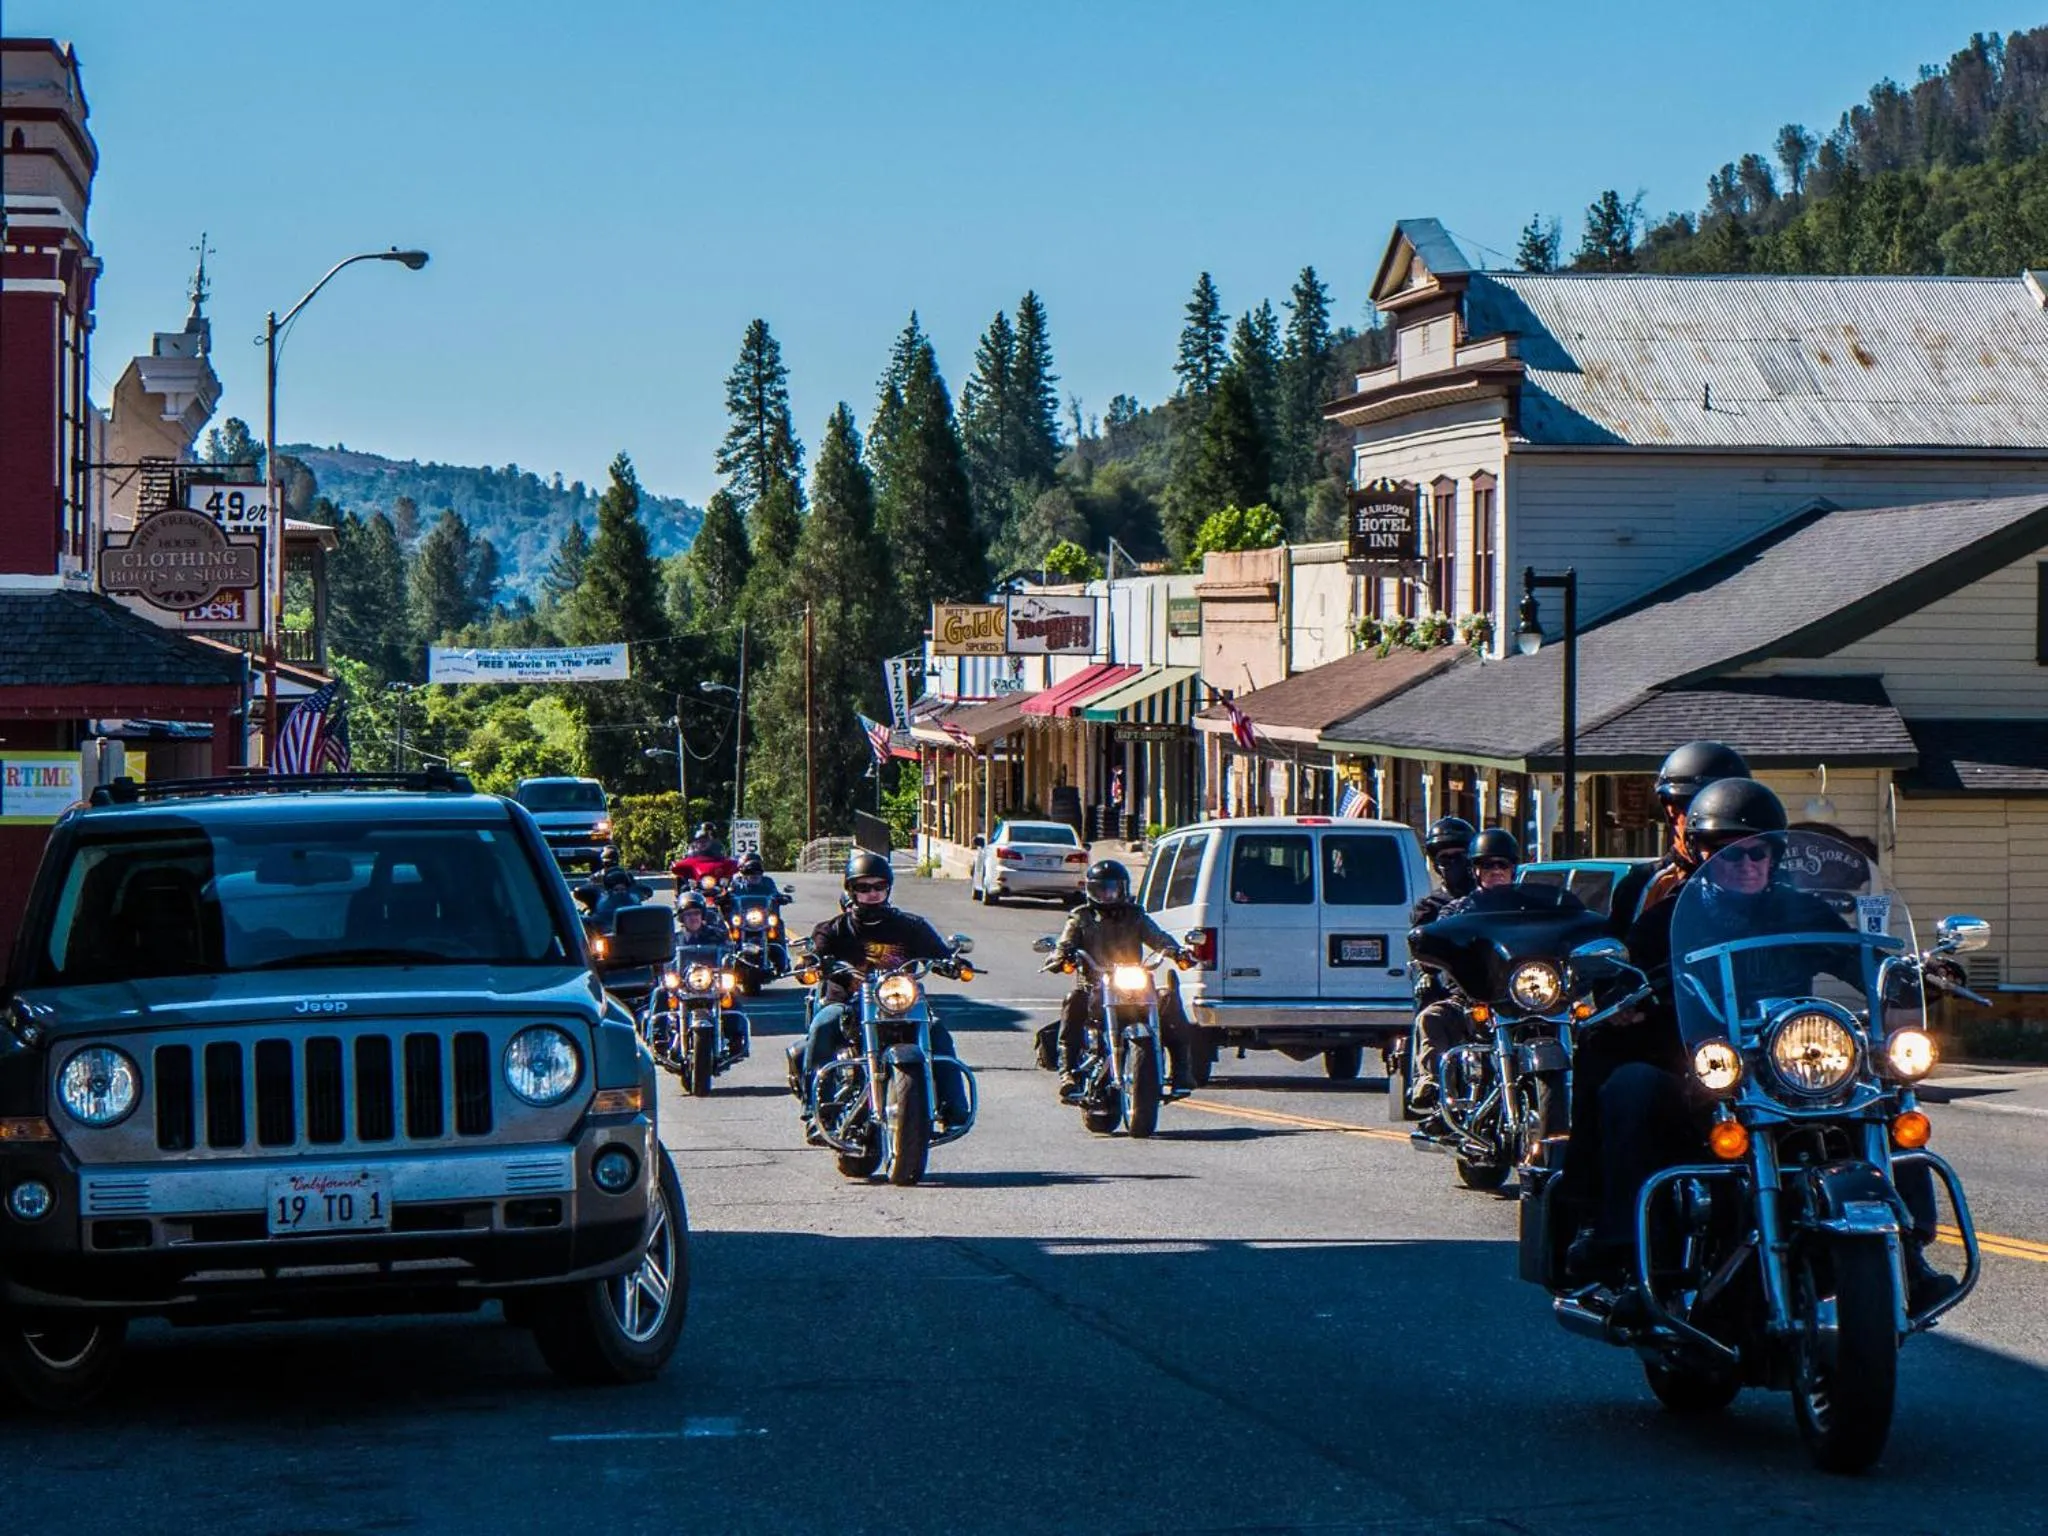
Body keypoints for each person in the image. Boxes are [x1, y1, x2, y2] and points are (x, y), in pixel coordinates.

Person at [1565, 778, 1957, 1309]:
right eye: (1728, 853)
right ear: (1701, 853)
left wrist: (1911, 970)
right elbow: (1622, 970)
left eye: (1759, 852)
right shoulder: (1667, 918)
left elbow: (1859, 957)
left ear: (1775, 855)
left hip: (1788, 1066)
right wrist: (1615, 985)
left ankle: (1907, 1256)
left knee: (1881, 1097)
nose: (1747, 864)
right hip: (1700, 1068)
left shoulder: (1801, 911)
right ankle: (1631, 1261)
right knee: (1632, 1087)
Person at [799, 851, 967, 1136]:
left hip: (900, 1004)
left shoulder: (911, 926)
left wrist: (952, 963)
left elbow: (938, 953)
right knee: (823, 1025)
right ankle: (817, 1109)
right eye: (864, 888)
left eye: (879, 886)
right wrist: (811, 962)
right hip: (848, 1003)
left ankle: (954, 1109)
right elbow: (815, 952)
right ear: (851, 890)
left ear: (888, 887)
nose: (873, 893)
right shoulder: (835, 929)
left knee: (937, 1032)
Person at [1045, 859, 1194, 1099]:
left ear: (1122, 889)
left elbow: (1158, 937)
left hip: (1134, 986)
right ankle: (1068, 1072)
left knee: (1168, 999)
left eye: (1112, 888)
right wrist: (1061, 957)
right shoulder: (1081, 917)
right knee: (1073, 1000)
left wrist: (1178, 952)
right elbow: (1064, 943)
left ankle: (1182, 1072)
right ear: (1090, 890)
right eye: (1101, 889)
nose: (1106, 894)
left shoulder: (1135, 916)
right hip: (1095, 987)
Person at [1409, 827, 1527, 1111]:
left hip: (1525, 996)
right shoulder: (1459, 910)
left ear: (1514, 868)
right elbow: (1436, 939)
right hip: (1472, 997)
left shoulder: (1531, 907)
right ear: (1475, 871)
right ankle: (1433, 1081)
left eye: (1503, 864)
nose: (1496, 871)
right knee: (1432, 1017)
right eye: (1487, 865)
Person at [1606, 740, 1750, 936]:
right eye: (1702, 806)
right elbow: (1623, 957)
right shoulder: (1644, 886)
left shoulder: (1756, 875)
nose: (1717, 817)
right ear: (1672, 809)